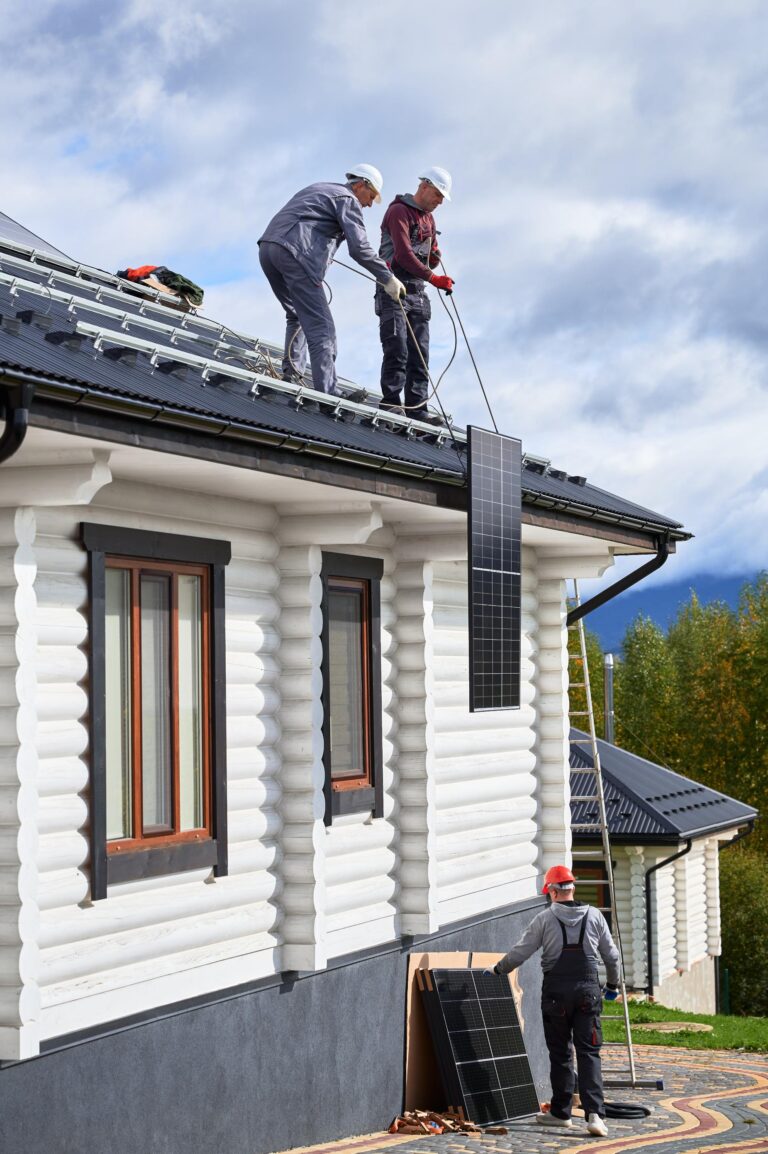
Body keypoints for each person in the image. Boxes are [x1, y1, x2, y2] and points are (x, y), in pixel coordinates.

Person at [488, 865, 620, 1139]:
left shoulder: (544, 919)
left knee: (560, 1053)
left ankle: (561, 1113)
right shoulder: (595, 916)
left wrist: (498, 969)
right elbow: (611, 956)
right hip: (588, 992)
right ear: (572, 888)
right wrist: (613, 985)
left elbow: (521, 952)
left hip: (556, 995)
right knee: (589, 1052)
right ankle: (594, 1116)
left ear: (551, 891)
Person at [259, 165, 406, 395]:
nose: (368, 204)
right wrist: (388, 278)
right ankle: (328, 394)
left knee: (297, 315)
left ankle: (292, 375)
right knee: (323, 330)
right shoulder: (348, 199)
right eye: (370, 196)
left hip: (268, 250)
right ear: (360, 185)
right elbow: (359, 248)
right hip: (297, 256)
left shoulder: (321, 187)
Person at [375, 167, 454, 421]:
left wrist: (433, 260)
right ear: (424, 186)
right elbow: (403, 255)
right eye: (438, 194)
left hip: (417, 290)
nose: (440, 201)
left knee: (420, 353)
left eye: (443, 198)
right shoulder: (398, 211)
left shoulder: (429, 220)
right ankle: (390, 403)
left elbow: (425, 260)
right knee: (397, 346)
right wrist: (434, 277)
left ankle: (417, 408)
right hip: (393, 286)